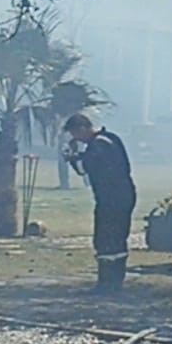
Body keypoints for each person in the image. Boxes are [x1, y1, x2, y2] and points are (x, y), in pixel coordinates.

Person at [65, 113, 135, 292]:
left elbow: (83, 169)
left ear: (82, 129)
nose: (75, 138)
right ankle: (115, 280)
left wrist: (72, 155)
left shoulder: (98, 145)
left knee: (105, 239)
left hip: (111, 198)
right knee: (118, 238)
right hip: (122, 195)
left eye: (75, 134)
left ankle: (108, 282)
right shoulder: (110, 138)